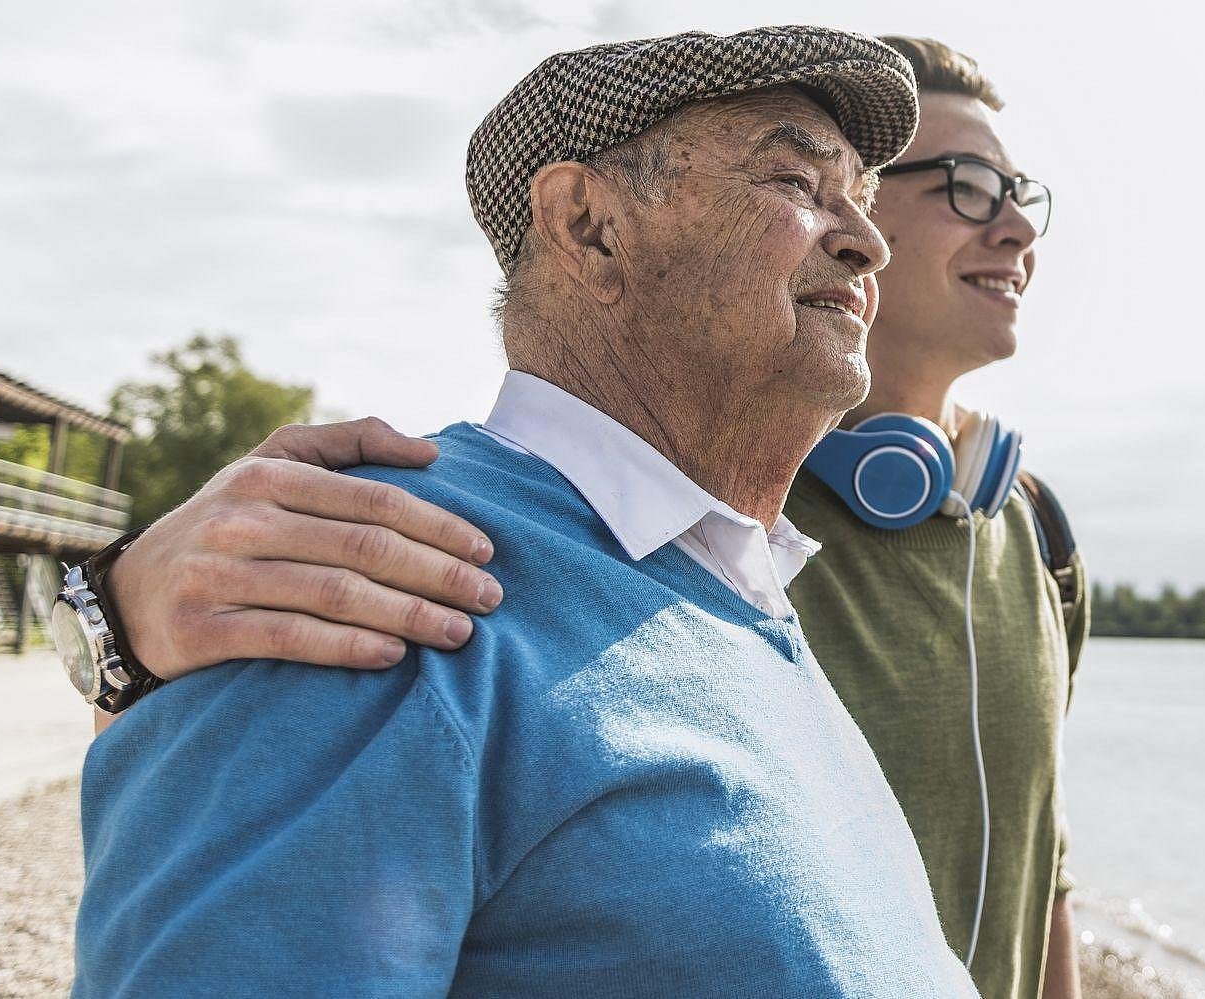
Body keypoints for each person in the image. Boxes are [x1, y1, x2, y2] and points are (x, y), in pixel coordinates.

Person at [81, 35, 1085, 999]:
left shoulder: (738, 589)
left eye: (860, 198)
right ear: (586, 226)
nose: (867, 244)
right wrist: (104, 620)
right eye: (795, 183)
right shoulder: (378, 585)